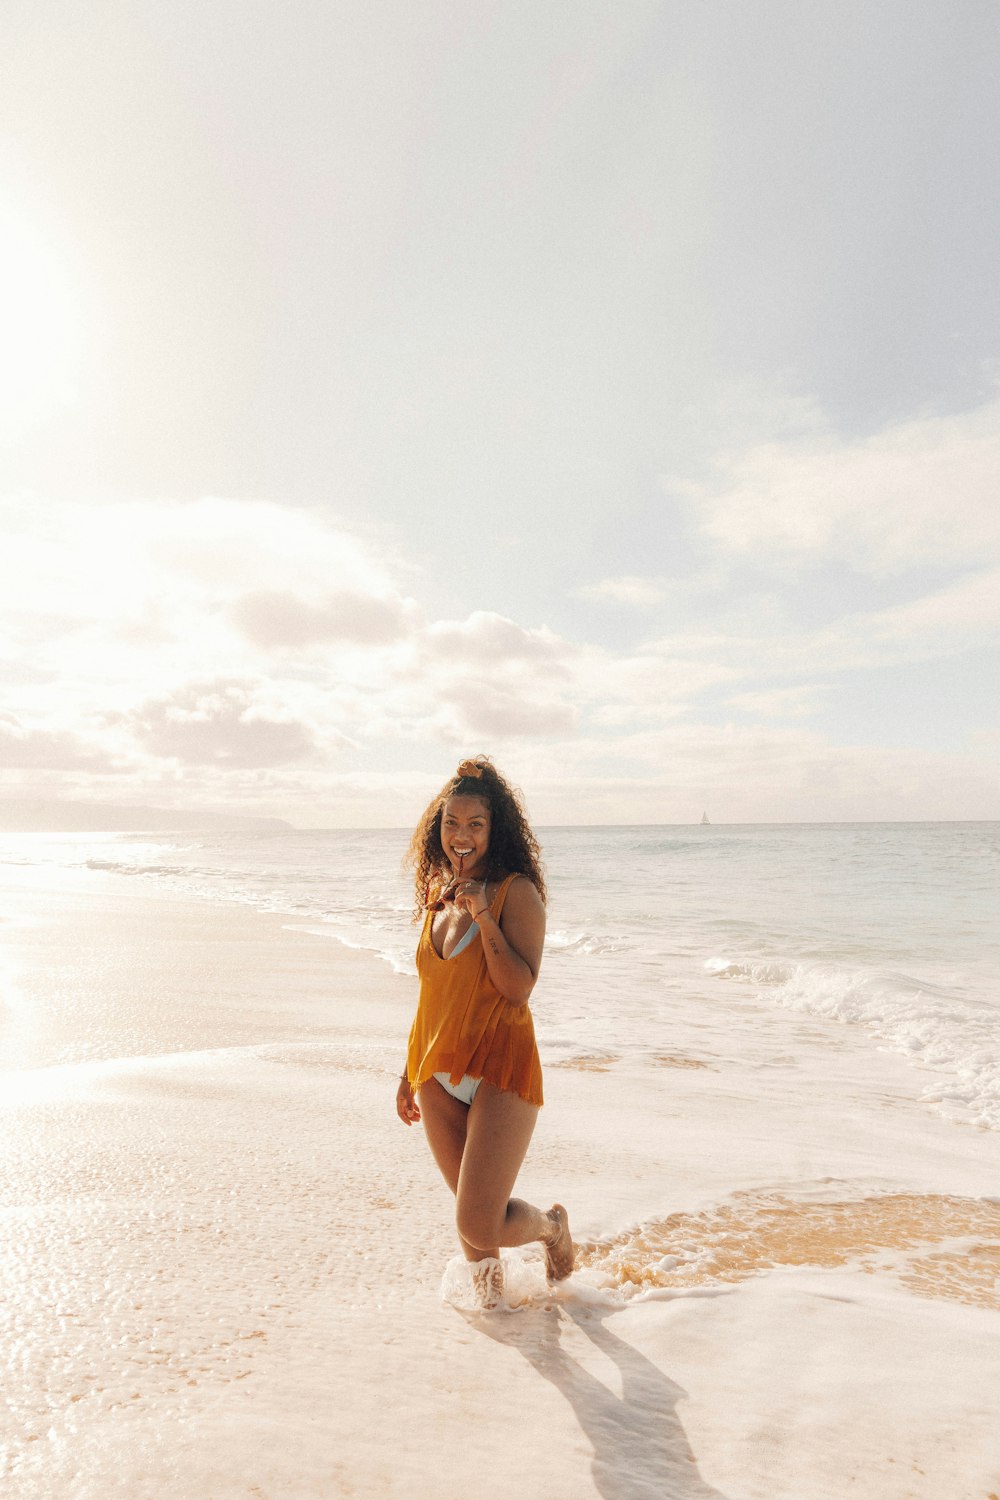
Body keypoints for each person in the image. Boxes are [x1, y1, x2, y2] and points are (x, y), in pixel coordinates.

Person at [396, 755, 573, 1307]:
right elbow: (431, 995)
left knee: (478, 1221)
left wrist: (484, 919)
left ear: (496, 830)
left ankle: (551, 1228)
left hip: (500, 1068)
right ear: (438, 827)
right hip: (437, 1074)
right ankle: (496, 1315)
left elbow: (518, 987)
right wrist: (408, 1071)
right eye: (451, 823)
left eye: (475, 824)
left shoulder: (516, 894)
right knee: (473, 1222)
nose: (461, 836)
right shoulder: (436, 897)